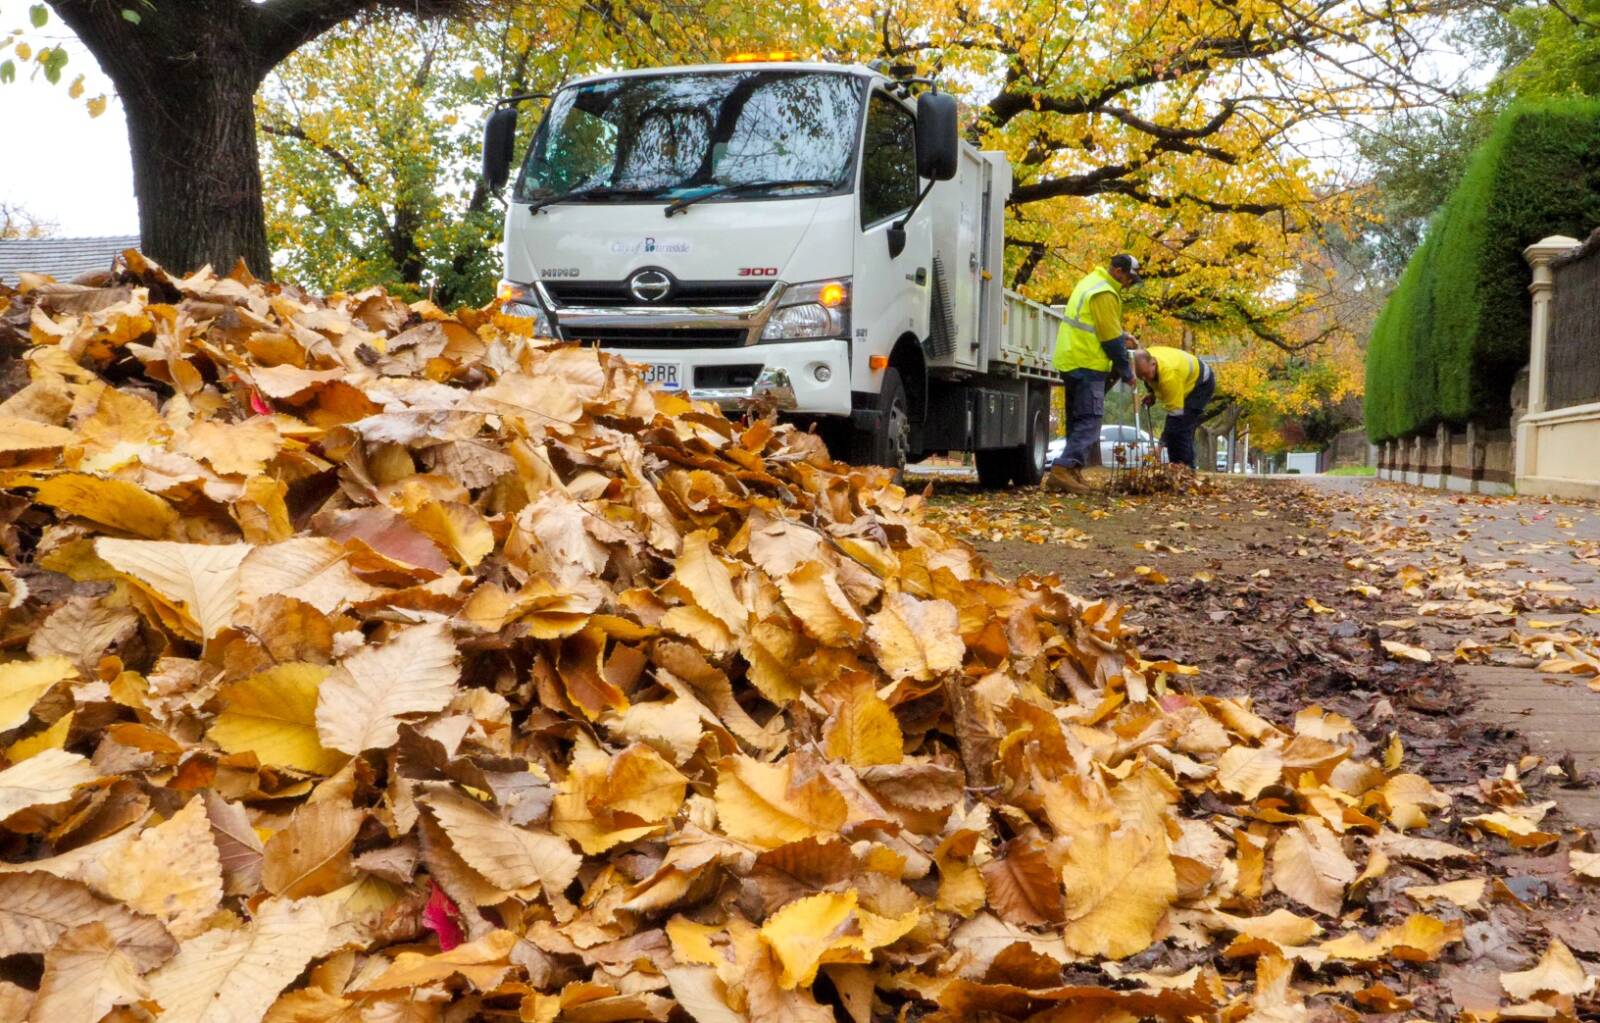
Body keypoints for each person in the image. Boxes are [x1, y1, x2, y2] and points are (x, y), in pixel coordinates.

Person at [1044, 254, 1141, 494]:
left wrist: (1121, 335)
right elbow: (1109, 339)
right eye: (1130, 277)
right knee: (1090, 420)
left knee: (1077, 419)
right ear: (1118, 271)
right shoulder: (1105, 292)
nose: (1130, 283)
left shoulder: (1090, 282)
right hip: (1087, 361)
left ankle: (1071, 473)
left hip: (1071, 359)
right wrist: (1126, 372)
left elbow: (1097, 325)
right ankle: (1063, 469)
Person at [1132, 345, 1216, 469]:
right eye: (1141, 377)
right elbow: (1150, 379)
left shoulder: (1169, 377)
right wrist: (1152, 393)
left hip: (1201, 384)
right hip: (1184, 380)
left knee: (1182, 428)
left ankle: (1185, 471)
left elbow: (1174, 418)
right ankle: (1176, 469)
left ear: (1153, 363)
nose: (1145, 379)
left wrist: (1160, 446)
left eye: (1146, 374)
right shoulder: (1147, 359)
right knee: (1175, 432)